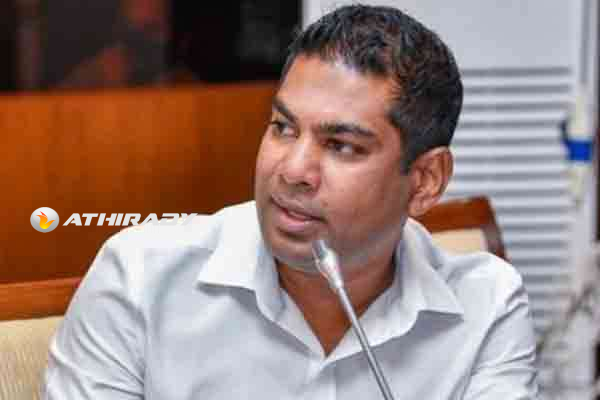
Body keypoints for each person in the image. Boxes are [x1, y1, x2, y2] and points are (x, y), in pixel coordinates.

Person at [42, 4, 538, 399]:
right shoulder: (140, 279)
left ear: (426, 180)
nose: (294, 170)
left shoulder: (486, 306)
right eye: (283, 128)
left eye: (342, 146)